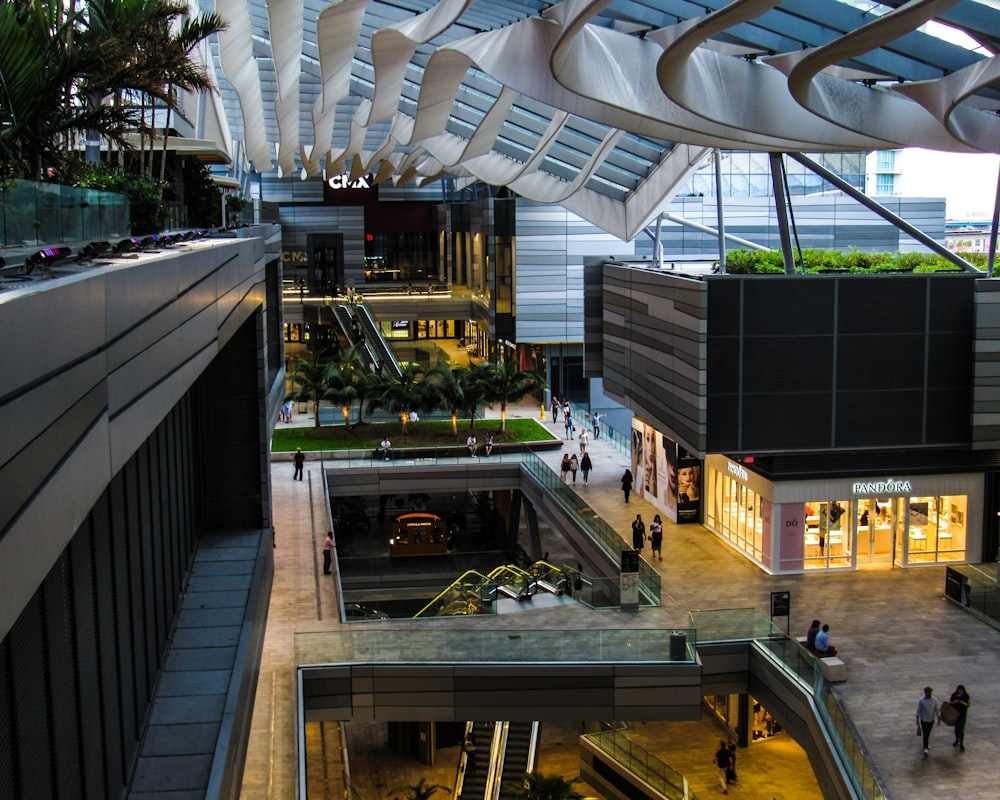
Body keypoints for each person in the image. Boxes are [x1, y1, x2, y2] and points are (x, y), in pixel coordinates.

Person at [916, 686, 941, 756]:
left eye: (929, 693)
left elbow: (937, 710)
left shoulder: (934, 700)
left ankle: (926, 743)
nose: (928, 694)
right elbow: (918, 711)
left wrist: (939, 719)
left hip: (931, 719)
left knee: (928, 732)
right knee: (925, 733)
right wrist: (917, 720)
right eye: (927, 693)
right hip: (923, 719)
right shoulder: (921, 700)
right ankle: (925, 747)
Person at [950, 684, 971, 751]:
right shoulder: (954, 695)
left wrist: (963, 703)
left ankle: (961, 743)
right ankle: (957, 739)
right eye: (958, 690)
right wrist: (954, 702)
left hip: (962, 714)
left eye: (961, 690)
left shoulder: (966, 696)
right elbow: (950, 702)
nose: (959, 691)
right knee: (956, 728)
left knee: (961, 729)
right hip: (955, 714)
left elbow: (969, 704)